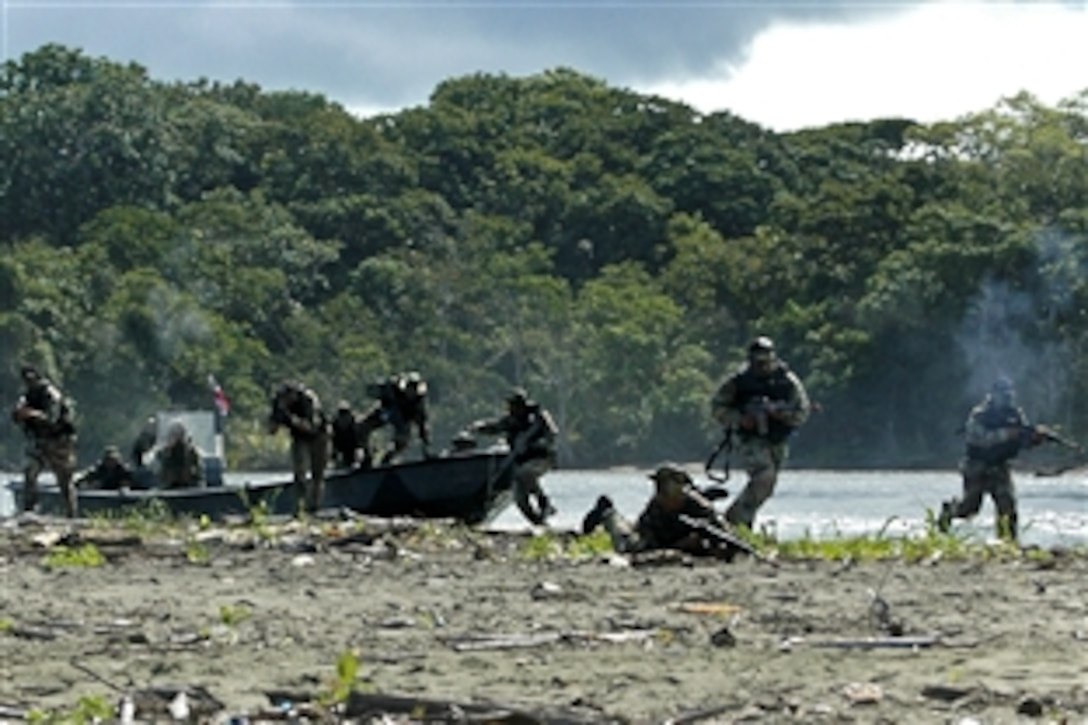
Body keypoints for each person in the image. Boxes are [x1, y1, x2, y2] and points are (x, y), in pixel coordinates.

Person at [710, 336, 811, 530]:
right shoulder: (739, 381)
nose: (761, 367)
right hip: (748, 438)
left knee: (766, 485)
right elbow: (717, 407)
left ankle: (744, 525)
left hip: (777, 439)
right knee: (764, 476)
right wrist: (740, 418)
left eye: (765, 362)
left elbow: (802, 410)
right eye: (757, 362)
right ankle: (734, 519)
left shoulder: (787, 381)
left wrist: (780, 414)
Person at [938, 377, 1046, 541]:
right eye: (1002, 395)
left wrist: (1035, 439)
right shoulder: (980, 415)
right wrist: (1007, 434)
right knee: (969, 508)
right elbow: (979, 438)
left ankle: (1008, 543)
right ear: (993, 395)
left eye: (1008, 394)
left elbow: (1021, 440)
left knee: (1007, 507)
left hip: (1000, 467)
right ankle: (949, 511)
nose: (1006, 398)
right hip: (977, 467)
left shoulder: (1015, 414)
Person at [581, 464, 736, 559]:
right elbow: (648, 550)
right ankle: (608, 512)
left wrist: (717, 548)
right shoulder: (655, 510)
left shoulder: (699, 507)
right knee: (625, 543)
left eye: (667, 487)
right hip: (652, 541)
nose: (662, 493)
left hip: (678, 541)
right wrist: (681, 546)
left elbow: (724, 532)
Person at [469, 386, 558, 525]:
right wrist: (478, 427)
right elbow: (495, 427)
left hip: (542, 458)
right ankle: (539, 523)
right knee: (520, 498)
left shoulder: (538, 418)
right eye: (511, 406)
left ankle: (544, 502)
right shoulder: (511, 421)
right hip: (522, 461)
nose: (512, 409)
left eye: (516, 405)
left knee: (524, 474)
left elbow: (552, 433)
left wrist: (537, 443)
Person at [11, 364, 78, 517]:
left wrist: (32, 414)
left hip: (59, 441)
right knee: (30, 471)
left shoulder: (50, 393)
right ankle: (30, 509)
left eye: (31, 377)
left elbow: (52, 418)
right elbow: (17, 417)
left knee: (64, 480)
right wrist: (19, 413)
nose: (28, 381)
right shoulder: (27, 396)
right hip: (40, 441)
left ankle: (71, 514)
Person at [268, 380, 329, 513]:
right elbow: (271, 430)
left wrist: (290, 418)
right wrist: (277, 416)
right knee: (299, 472)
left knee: (317, 474)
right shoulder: (279, 403)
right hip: (299, 438)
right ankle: (300, 506)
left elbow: (311, 426)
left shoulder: (308, 400)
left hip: (318, 436)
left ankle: (315, 506)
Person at [357, 371, 432, 467]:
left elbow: (423, 427)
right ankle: (367, 456)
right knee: (362, 427)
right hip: (386, 411)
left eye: (414, 388)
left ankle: (387, 458)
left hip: (403, 420)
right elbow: (373, 391)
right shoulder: (393, 389)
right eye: (409, 387)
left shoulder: (418, 404)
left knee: (402, 439)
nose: (411, 391)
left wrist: (426, 449)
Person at [155, 420, 205, 489]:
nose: (177, 438)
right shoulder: (162, 453)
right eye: (174, 434)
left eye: (179, 434)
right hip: (167, 490)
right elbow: (158, 473)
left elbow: (199, 473)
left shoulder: (191, 452)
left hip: (189, 490)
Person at [330, 400, 362, 469]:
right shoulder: (351, 419)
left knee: (348, 462)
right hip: (347, 445)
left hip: (345, 445)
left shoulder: (337, 420)